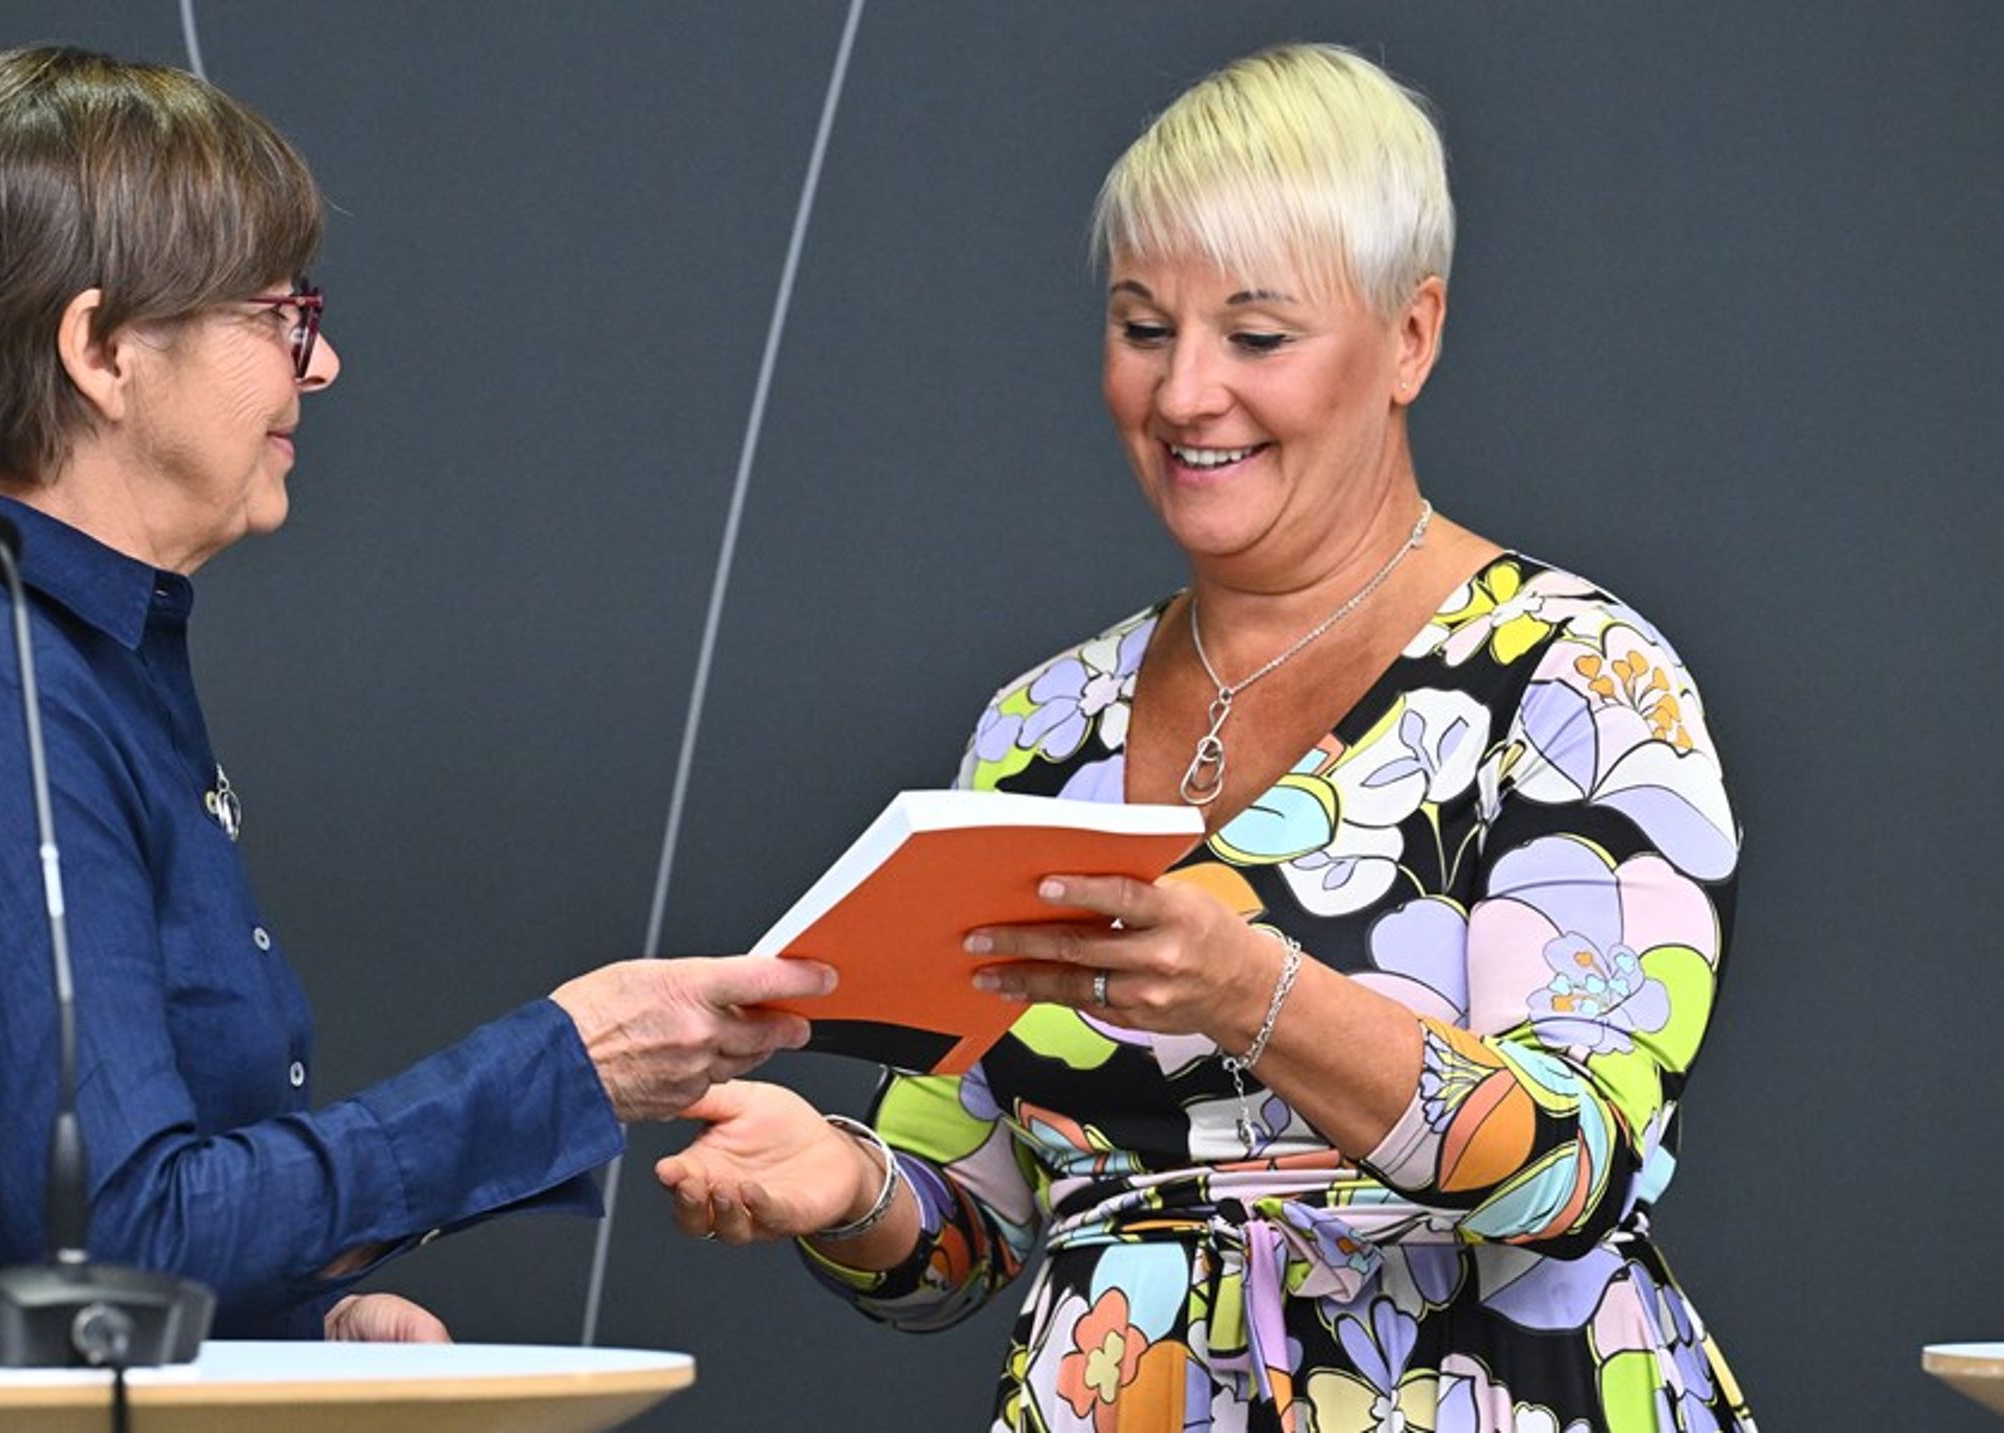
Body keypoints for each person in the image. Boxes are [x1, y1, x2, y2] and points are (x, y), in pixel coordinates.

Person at [0, 45, 832, 1345]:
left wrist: (313, 1315)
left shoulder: (49, 650)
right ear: (104, 349)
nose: (321, 366)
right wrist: (566, 1066)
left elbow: (54, 1214)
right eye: (277, 316)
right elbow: (122, 1233)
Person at [658, 42, 1753, 1431]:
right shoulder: (1040, 726)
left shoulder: (1579, 677)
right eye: (1142, 326)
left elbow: (1569, 1168)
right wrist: (842, 1184)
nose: (1184, 396)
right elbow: (967, 1240)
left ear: (1411, 336)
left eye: (1257, 334)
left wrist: (1253, 990)